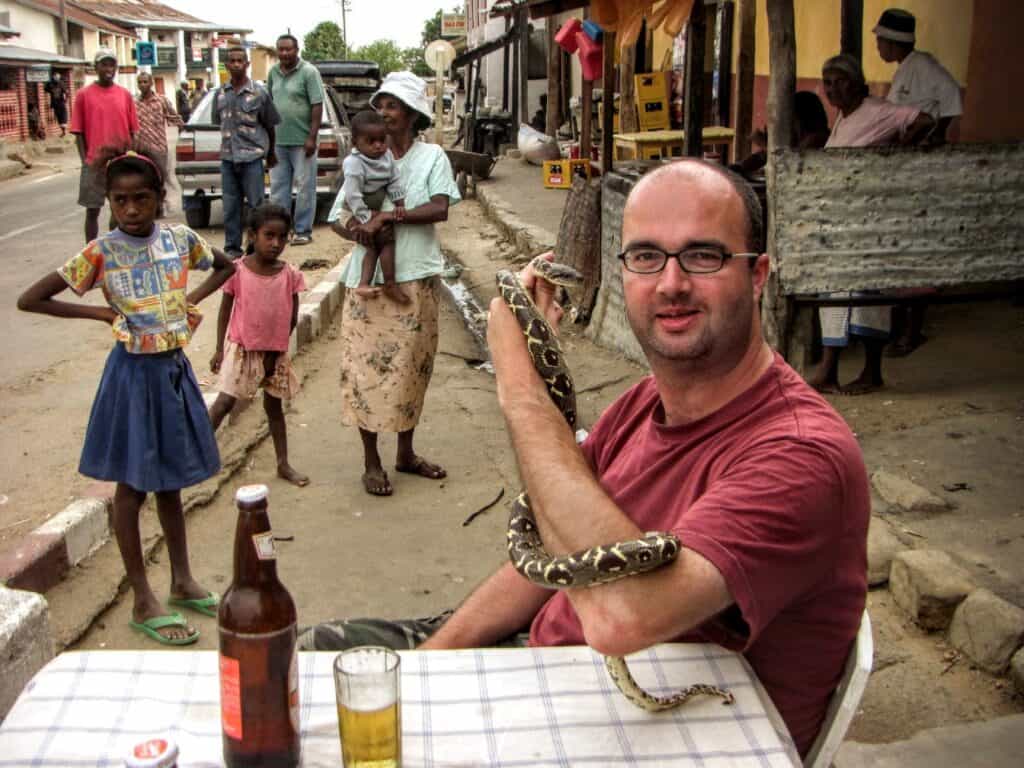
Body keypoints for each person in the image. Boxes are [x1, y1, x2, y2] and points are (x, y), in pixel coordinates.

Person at [303, 159, 870, 759]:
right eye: (646, 257)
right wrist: (429, 665)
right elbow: (547, 548)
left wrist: (520, 385)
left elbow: (622, 617)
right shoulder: (645, 403)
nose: (671, 283)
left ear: (756, 276)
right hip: (554, 662)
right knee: (311, 657)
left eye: (703, 256)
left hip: (657, 731)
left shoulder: (801, 456)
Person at [17, 149, 235, 645]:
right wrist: (98, 314)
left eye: (141, 198)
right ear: (110, 203)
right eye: (120, 200)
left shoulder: (179, 239)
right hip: (132, 379)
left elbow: (225, 267)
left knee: (172, 483)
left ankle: (182, 581)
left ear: (160, 198)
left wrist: (188, 301)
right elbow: (31, 299)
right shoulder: (103, 251)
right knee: (132, 488)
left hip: (172, 372)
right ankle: (142, 598)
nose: (131, 209)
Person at [326, 71, 460, 497]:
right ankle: (371, 461)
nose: (383, 113)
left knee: (411, 370)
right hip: (368, 281)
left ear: (412, 115)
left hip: (416, 277)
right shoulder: (360, 160)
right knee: (365, 371)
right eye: (380, 105)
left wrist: (390, 215)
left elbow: (440, 208)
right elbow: (338, 217)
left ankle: (405, 452)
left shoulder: (432, 157)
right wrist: (362, 232)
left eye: (393, 106)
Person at [807, 53, 934, 395]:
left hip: (870, 222)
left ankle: (871, 372)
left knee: (870, 296)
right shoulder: (843, 117)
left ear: (857, 84)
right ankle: (828, 370)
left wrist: (894, 155)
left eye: (840, 81)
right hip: (839, 223)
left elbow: (924, 120)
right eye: (828, 82)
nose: (833, 89)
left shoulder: (878, 110)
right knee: (833, 291)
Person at [874, 8, 962, 357]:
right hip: (904, 169)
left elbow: (951, 97)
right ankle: (900, 326)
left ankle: (912, 331)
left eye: (881, 40)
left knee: (916, 248)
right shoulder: (904, 71)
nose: (878, 46)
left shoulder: (923, 66)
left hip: (918, 171)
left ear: (892, 41)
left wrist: (936, 133)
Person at [208, 204, 309, 487]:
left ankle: (283, 464)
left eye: (282, 237)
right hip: (242, 350)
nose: (276, 243)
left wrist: (278, 352)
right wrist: (219, 349)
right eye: (269, 236)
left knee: (274, 408)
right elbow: (225, 311)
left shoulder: (290, 274)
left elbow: (291, 317)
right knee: (223, 404)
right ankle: (197, 456)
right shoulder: (237, 270)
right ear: (253, 235)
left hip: (275, 354)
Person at [213, 46, 280, 257]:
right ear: (226, 65)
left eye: (239, 61)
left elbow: (270, 125)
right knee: (230, 206)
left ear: (247, 64)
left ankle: (254, 248)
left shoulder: (259, 93)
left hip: (252, 158)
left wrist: (271, 153)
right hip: (228, 158)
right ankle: (232, 248)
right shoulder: (220, 94)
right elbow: (217, 122)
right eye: (232, 61)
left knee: (256, 206)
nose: (236, 65)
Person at [338, 110, 408, 303]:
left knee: (383, 239)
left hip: (372, 211)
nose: (378, 145)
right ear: (355, 143)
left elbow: (394, 180)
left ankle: (380, 283)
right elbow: (352, 195)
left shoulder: (387, 157)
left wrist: (399, 204)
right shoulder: (354, 163)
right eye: (371, 141)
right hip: (352, 212)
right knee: (377, 238)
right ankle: (373, 283)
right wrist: (366, 219)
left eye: (382, 140)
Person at [70, 49, 139, 243]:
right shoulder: (83, 95)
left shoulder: (125, 95)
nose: (108, 69)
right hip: (94, 163)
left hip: (120, 161)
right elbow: (78, 132)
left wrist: (131, 157)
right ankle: (90, 250)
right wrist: (86, 161)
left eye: (112, 65)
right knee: (92, 210)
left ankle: (115, 247)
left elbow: (133, 131)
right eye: (104, 65)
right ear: (96, 67)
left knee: (120, 209)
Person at [267, 34, 324, 246]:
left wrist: (312, 137)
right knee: (278, 190)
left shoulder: (309, 72)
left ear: (297, 50)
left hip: (303, 142)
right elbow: (269, 105)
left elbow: (317, 104)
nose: (284, 53)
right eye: (280, 49)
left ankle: (302, 231)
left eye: (288, 49)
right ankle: (280, 231)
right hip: (278, 142)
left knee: (304, 188)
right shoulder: (273, 73)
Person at [134, 71, 183, 185]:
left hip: (159, 148)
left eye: (145, 82)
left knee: (160, 180)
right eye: (140, 82)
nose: (142, 85)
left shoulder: (161, 100)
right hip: (141, 149)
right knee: (143, 181)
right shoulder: (134, 103)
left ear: (151, 83)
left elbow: (174, 118)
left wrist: (183, 131)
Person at [44, 72, 69, 137]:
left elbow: (66, 92)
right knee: (59, 117)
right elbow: (45, 89)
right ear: (53, 77)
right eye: (56, 77)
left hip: (61, 102)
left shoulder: (61, 83)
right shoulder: (50, 84)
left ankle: (64, 130)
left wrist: (65, 99)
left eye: (58, 77)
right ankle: (63, 131)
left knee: (64, 116)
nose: (57, 78)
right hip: (55, 103)